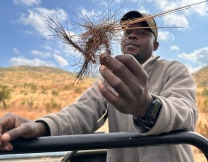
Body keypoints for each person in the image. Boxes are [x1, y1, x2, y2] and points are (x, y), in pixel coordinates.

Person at [0, 10, 197, 162]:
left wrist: (147, 107)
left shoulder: (174, 70)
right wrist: (39, 126)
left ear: (155, 46)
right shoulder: (109, 80)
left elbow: (186, 113)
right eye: (128, 32)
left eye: (142, 33)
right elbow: (80, 113)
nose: (132, 36)